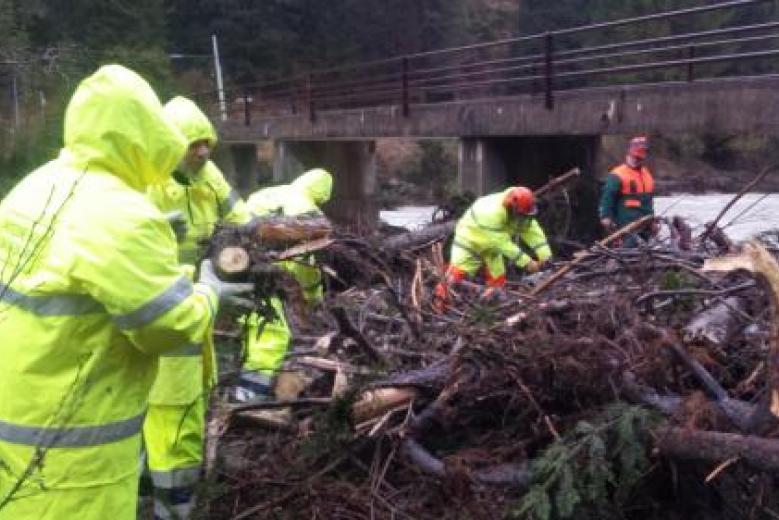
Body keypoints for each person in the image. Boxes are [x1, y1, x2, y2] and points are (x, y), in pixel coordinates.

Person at [0, 65, 251, 520]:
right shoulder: (122, 213)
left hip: (16, 421)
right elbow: (168, 326)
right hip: (78, 447)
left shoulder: (32, 187)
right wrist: (211, 292)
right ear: (146, 130)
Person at [144, 96, 252, 519]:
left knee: (179, 402)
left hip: (200, 302)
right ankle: (174, 507)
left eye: (207, 142)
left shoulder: (210, 176)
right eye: (193, 144)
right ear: (171, 144)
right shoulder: (149, 182)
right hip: (167, 308)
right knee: (175, 410)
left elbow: (241, 220)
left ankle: (153, 498)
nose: (203, 152)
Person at [235, 168, 333, 401]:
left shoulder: (267, 194)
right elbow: (306, 263)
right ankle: (248, 398)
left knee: (249, 329)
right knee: (271, 335)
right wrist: (312, 297)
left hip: (235, 265)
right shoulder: (310, 213)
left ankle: (235, 384)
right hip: (270, 279)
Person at [434, 186, 551, 307]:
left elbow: (532, 231)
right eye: (520, 214)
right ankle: (439, 305)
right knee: (455, 275)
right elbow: (502, 243)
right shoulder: (492, 213)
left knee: (498, 278)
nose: (522, 217)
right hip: (469, 242)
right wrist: (527, 262)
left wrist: (545, 256)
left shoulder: (521, 212)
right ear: (512, 207)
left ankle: (493, 308)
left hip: (492, 248)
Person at [599, 136, 655, 244]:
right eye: (635, 157)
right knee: (627, 253)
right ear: (629, 153)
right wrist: (605, 217)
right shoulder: (617, 174)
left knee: (643, 253)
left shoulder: (647, 175)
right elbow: (607, 198)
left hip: (645, 227)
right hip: (625, 227)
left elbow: (649, 202)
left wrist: (652, 222)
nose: (637, 160)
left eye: (640, 158)